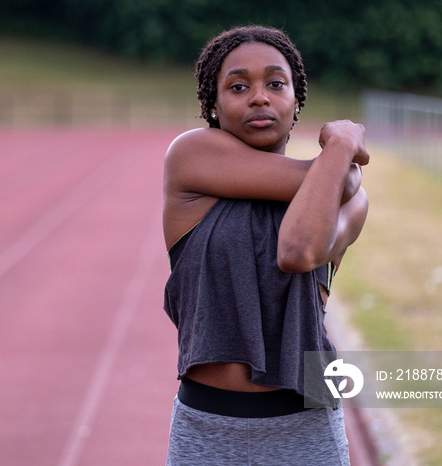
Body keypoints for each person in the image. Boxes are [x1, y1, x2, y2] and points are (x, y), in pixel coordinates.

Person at [162, 25, 369, 465]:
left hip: (308, 428)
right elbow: (332, 178)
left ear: (296, 102)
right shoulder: (190, 157)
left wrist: (336, 162)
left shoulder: (353, 203)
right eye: (238, 87)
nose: (259, 97)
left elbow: (298, 252)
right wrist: (344, 151)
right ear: (213, 106)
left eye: (276, 84)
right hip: (208, 427)